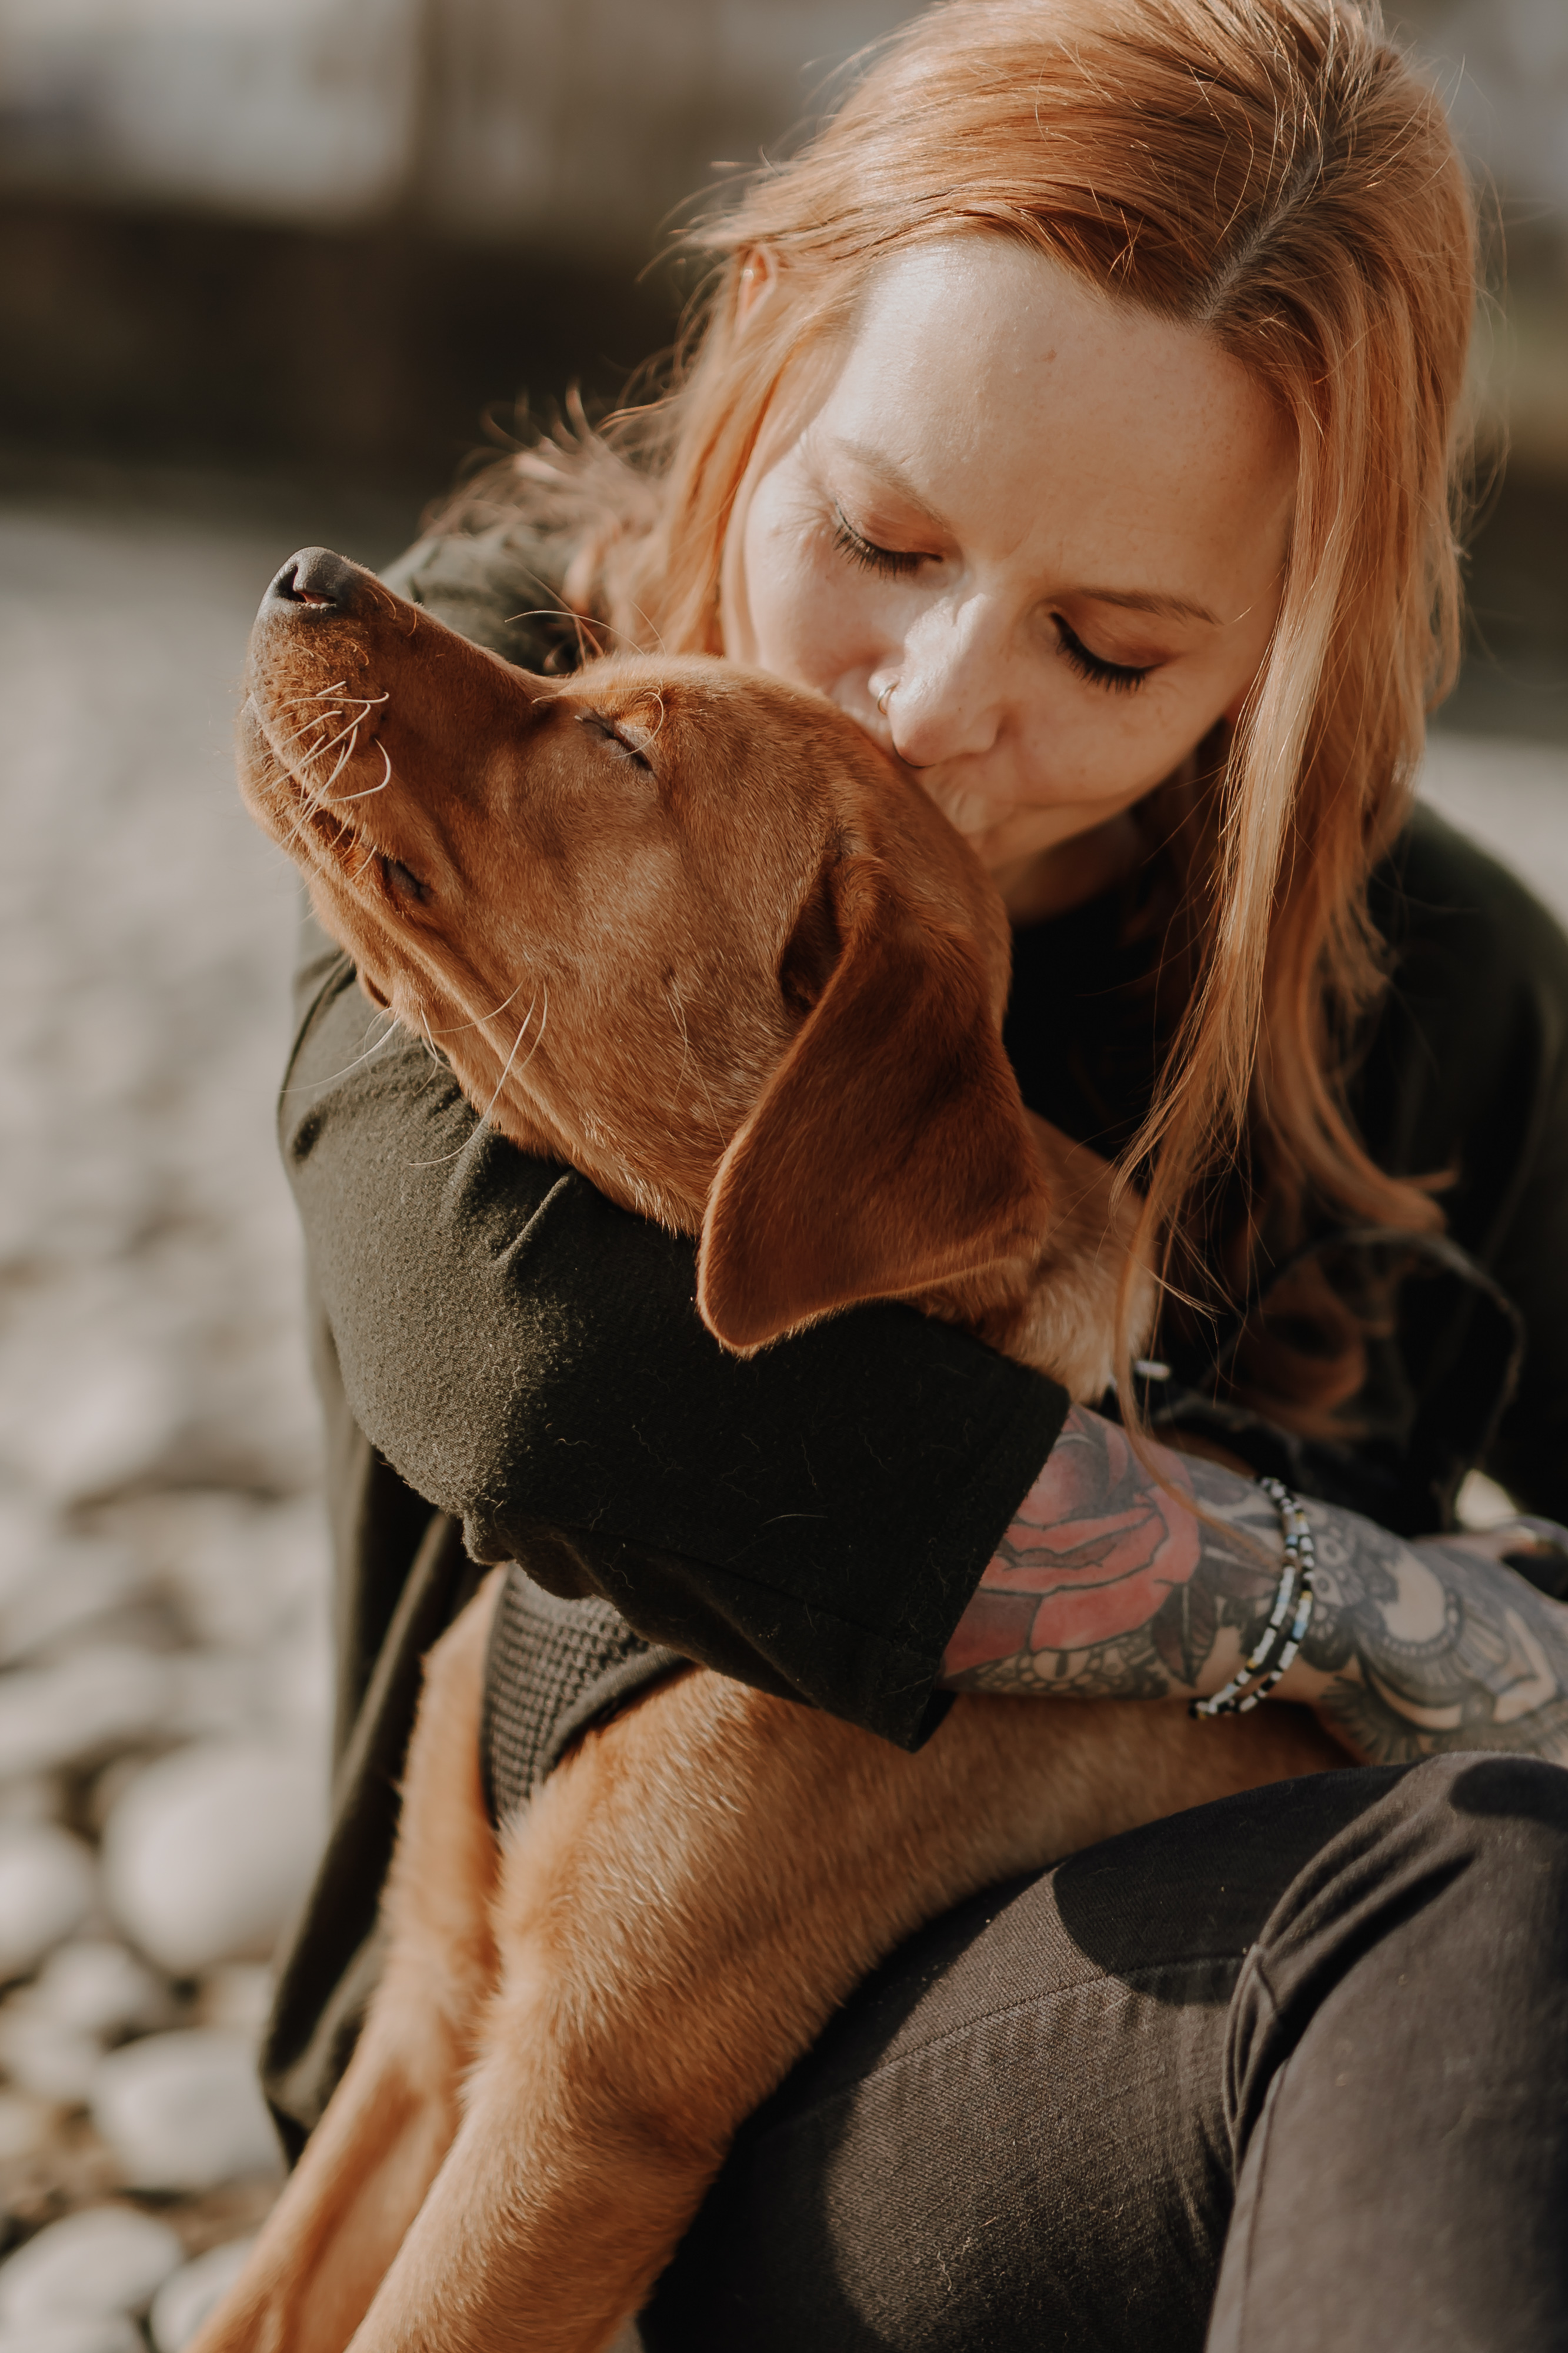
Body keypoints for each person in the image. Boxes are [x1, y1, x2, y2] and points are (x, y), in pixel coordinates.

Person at [261, 1, 1568, 2344]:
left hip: (1168, 2084)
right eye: (878, 533)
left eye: (1104, 641)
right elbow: (545, 1395)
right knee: (1485, 1861)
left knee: (1491, 1897)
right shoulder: (512, 705)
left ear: (1292, 622)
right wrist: (1365, 1621)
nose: (932, 701)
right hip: (580, 2143)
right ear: (768, 343)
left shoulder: (1440, 983)